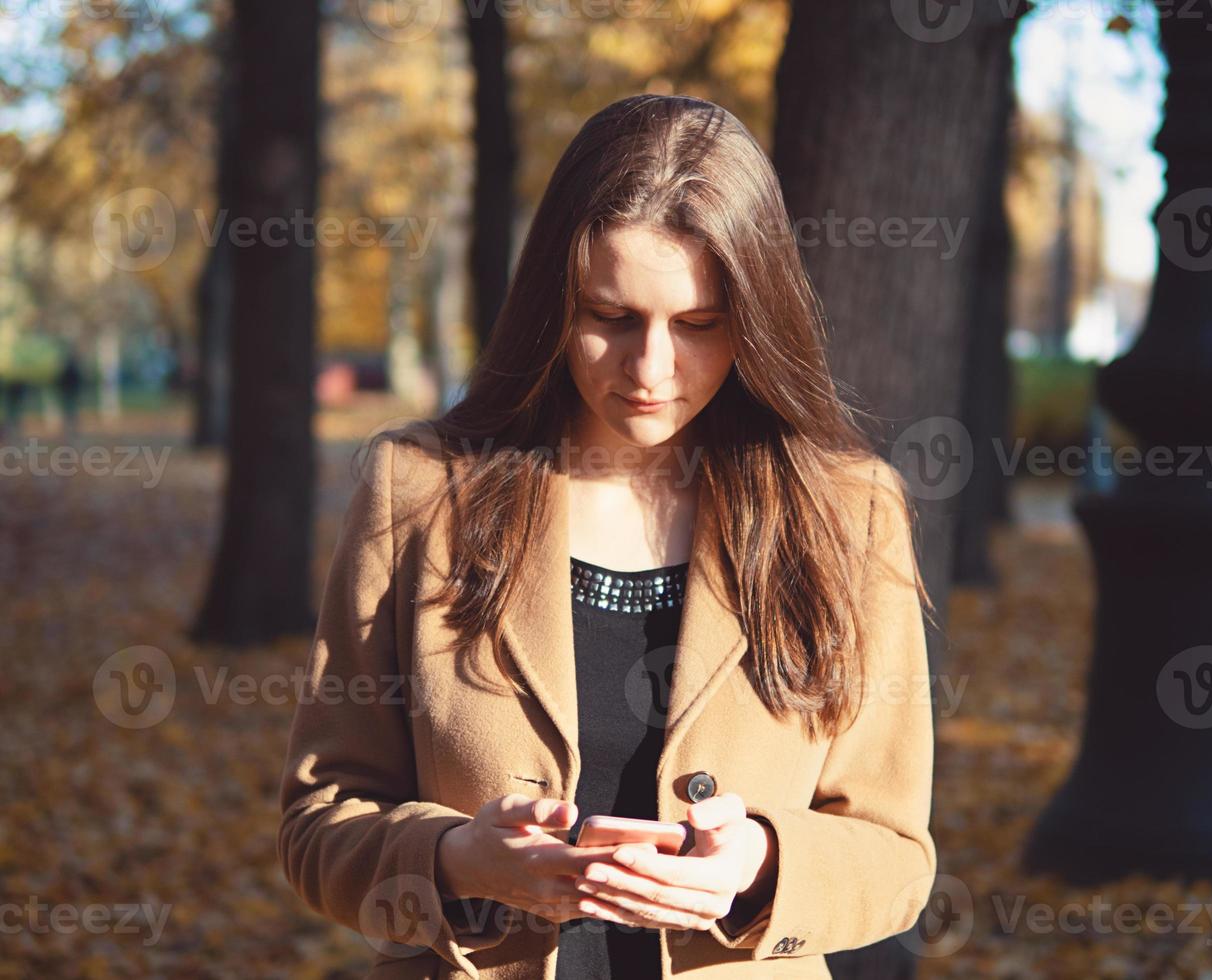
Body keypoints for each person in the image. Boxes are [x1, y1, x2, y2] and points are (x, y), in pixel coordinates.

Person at [277, 94, 938, 980]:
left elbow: (897, 859)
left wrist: (758, 867)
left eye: (699, 325)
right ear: (554, 302)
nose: (650, 369)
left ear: (757, 316)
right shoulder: (421, 489)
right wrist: (456, 859)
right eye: (609, 317)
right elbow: (320, 822)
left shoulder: (848, 512)